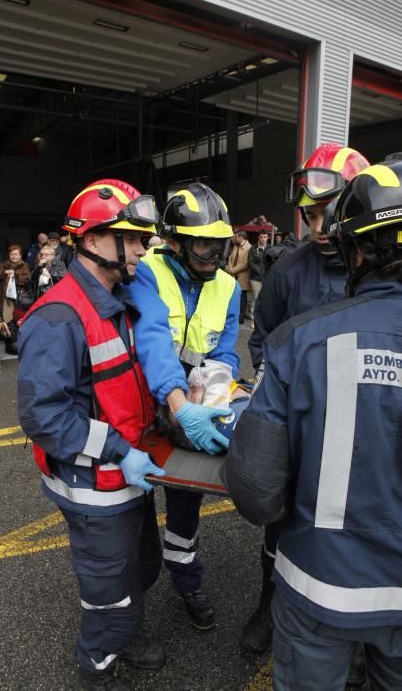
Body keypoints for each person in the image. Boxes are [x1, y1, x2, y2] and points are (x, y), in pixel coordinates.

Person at [222, 157, 402, 691]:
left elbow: (255, 492)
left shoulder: (299, 341)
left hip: (320, 584)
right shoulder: (290, 276)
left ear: (357, 251)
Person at [18, 179, 167, 691]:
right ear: (92, 240)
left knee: (144, 568)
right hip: (94, 488)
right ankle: (97, 666)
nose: (143, 249)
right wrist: (120, 449)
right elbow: (45, 417)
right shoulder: (59, 317)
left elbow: (121, 383)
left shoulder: (115, 298)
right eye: (132, 239)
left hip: (127, 479)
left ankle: (123, 636)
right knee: (111, 599)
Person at [243, 143, 371, 688]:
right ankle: (270, 605)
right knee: (281, 525)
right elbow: (262, 340)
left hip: (366, 433)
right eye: (310, 213)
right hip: (302, 431)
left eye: (329, 212)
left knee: (364, 530)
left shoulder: (379, 264)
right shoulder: (289, 270)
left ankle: (365, 633)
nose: (318, 226)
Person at [130, 182, 239, 630]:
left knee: (185, 506)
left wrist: (213, 392)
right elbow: (153, 338)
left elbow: (227, 353)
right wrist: (177, 399)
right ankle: (127, 594)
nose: (212, 255)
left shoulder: (229, 287)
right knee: (129, 508)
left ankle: (187, 581)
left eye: (219, 244)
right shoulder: (147, 272)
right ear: (173, 241)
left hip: (188, 411)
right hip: (140, 411)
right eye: (201, 244)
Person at [0, 245, 31, 323]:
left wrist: (15, 274)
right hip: (5, 296)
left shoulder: (24, 265)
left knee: (18, 317)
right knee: (7, 317)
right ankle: (9, 332)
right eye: (11, 254)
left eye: (16, 254)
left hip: (19, 296)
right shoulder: (4, 264)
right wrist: (4, 272)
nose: (13, 256)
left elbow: (27, 278)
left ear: (20, 255)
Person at [225, 230, 251, 324]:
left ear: (241, 237)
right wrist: (230, 268)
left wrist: (231, 270)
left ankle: (241, 317)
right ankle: (232, 315)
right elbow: (230, 259)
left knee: (242, 298)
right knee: (232, 296)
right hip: (232, 276)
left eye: (236, 237)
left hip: (242, 277)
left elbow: (245, 264)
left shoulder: (249, 247)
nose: (234, 238)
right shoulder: (235, 247)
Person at [247, 229, 269, 322]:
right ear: (258, 237)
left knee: (266, 298)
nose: (263, 239)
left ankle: (263, 317)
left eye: (265, 237)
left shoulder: (270, 248)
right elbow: (250, 262)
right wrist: (260, 271)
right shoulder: (253, 248)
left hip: (267, 278)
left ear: (268, 237)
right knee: (255, 298)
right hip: (255, 278)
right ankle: (253, 317)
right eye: (261, 237)